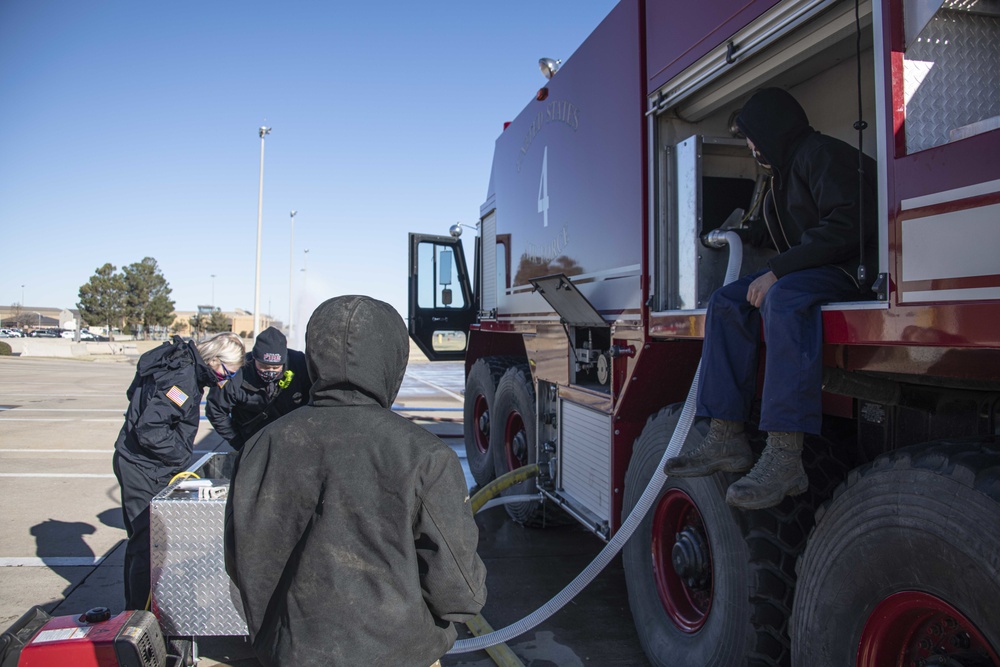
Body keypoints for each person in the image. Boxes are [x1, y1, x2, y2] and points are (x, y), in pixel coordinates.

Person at [225, 295, 486, 667]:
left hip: (290, 653)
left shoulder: (260, 447)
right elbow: (460, 592)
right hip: (400, 655)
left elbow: (240, 563)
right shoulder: (425, 455)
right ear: (392, 361)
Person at [664, 87, 877, 510]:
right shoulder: (780, 175)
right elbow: (771, 229)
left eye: (749, 135)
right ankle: (726, 437)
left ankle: (784, 456)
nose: (749, 145)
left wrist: (779, 272)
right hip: (809, 270)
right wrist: (734, 236)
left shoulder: (823, 155)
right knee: (726, 301)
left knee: (782, 300)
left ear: (770, 128)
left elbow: (850, 223)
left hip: (847, 271)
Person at [113, 332, 246, 610]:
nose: (225, 380)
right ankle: (138, 614)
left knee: (143, 542)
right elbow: (151, 429)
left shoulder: (179, 363)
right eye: (226, 373)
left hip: (142, 461)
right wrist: (179, 457)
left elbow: (138, 397)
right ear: (213, 360)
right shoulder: (183, 379)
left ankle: (138, 608)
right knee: (147, 544)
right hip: (143, 466)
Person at [206, 326, 311, 451]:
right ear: (254, 359)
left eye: (275, 367)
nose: (270, 371)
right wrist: (239, 443)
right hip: (252, 440)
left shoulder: (300, 365)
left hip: (292, 439)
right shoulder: (237, 370)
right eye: (264, 366)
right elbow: (216, 410)